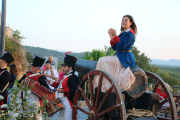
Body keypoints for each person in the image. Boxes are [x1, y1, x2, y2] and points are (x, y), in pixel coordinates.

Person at [94, 15, 137, 92]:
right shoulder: (123, 33)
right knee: (102, 60)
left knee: (101, 60)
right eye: (122, 20)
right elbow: (115, 48)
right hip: (119, 55)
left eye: (126, 20)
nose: (123, 22)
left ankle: (105, 84)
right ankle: (104, 84)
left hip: (125, 58)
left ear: (130, 23)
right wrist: (112, 38)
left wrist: (114, 36)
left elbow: (121, 45)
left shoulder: (130, 34)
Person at [18, 54, 50, 120]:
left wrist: (36, 86)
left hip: (35, 102)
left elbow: (48, 91)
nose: (32, 67)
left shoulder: (41, 77)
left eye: (34, 66)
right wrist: (23, 82)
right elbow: (18, 84)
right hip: (25, 101)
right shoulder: (27, 74)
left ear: (38, 68)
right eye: (32, 65)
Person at [48, 54, 79, 120]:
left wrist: (63, 90)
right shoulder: (66, 76)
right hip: (61, 103)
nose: (63, 69)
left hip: (68, 103)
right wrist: (51, 83)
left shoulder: (73, 77)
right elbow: (60, 86)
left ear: (70, 68)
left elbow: (75, 91)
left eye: (65, 67)